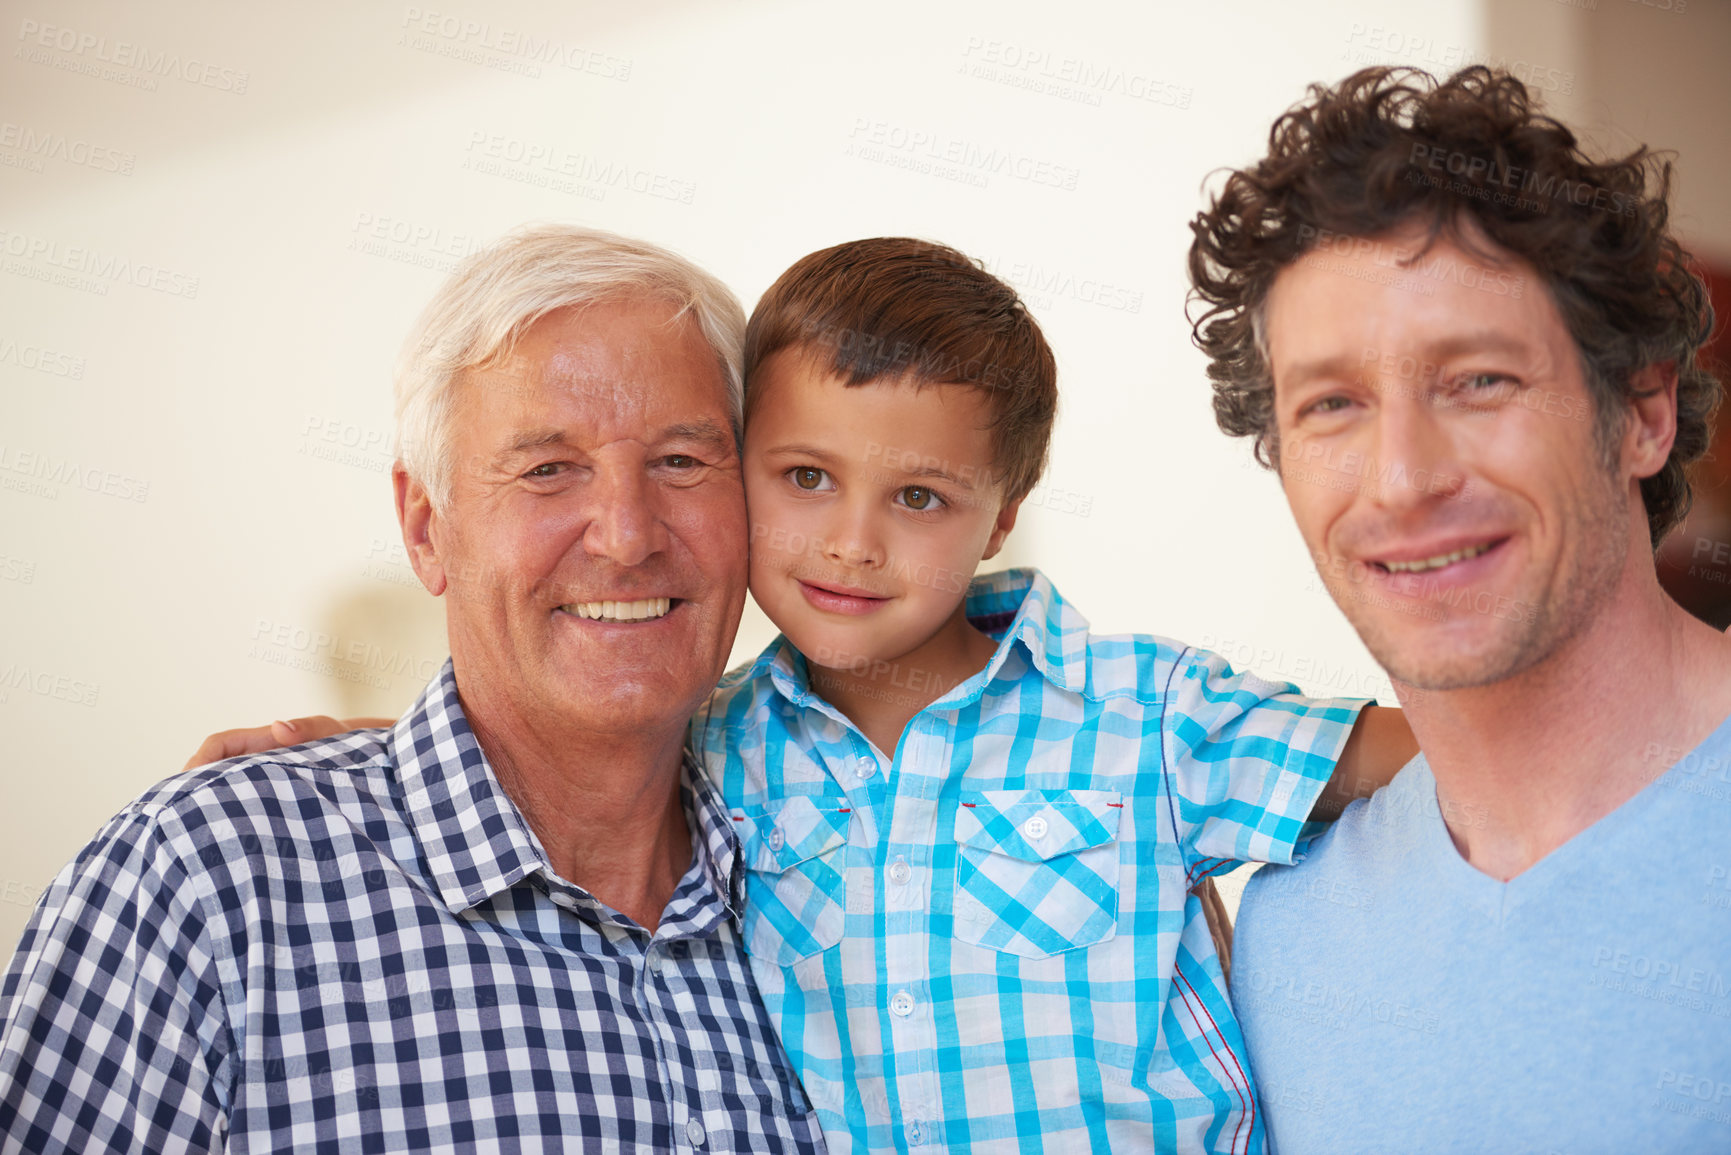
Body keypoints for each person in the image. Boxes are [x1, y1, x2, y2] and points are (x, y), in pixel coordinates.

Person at [179, 233, 1421, 1153]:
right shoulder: (722, 752)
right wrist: (382, 750)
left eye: (920, 498)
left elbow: (1432, 755)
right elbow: (553, 752)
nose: (852, 545)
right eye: (806, 478)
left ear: (1005, 515)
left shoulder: (1147, 713)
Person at [0, 227, 825, 1151]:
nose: (627, 535)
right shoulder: (206, 881)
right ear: (426, 527)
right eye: (547, 469)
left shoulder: (838, 871)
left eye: (681, 460)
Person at [1186, 65, 1731, 1151]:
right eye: (1333, 404)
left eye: (1478, 381)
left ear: (1643, 412)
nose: (1401, 478)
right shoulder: (1284, 939)